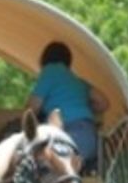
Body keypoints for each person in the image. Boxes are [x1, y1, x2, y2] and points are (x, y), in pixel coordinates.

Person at [26, 41, 110, 172]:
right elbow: (104, 103)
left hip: (64, 135)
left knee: (41, 168)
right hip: (88, 136)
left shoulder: (50, 71)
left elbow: (31, 109)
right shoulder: (77, 81)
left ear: (44, 59)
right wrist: (83, 108)